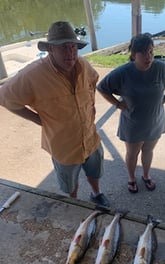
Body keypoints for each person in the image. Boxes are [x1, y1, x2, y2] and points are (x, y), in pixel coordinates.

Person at [0, 21, 110, 207]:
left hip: (91, 138)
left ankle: (96, 193)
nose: (70, 53)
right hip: (64, 147)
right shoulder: (33, 75)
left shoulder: (82, 64)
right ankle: (73, 204)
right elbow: (4, 97)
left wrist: (90, 107)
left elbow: (93, 80)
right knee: (70, 184)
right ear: (51, 49)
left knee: (94, 172)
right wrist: (37, 119)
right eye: (63, 48)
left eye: (73, 46)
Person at [97, 33, 165, 193]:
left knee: (148, 150)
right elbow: (102, 88)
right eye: (143, 52)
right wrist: (117, 103)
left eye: (150, 51)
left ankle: (146, 175)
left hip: (155, 121)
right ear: (133, 54)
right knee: (132, 152)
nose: (148, 56)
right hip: (133, 124)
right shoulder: (123, 73)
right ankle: (131, 178)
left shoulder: (160, 68)